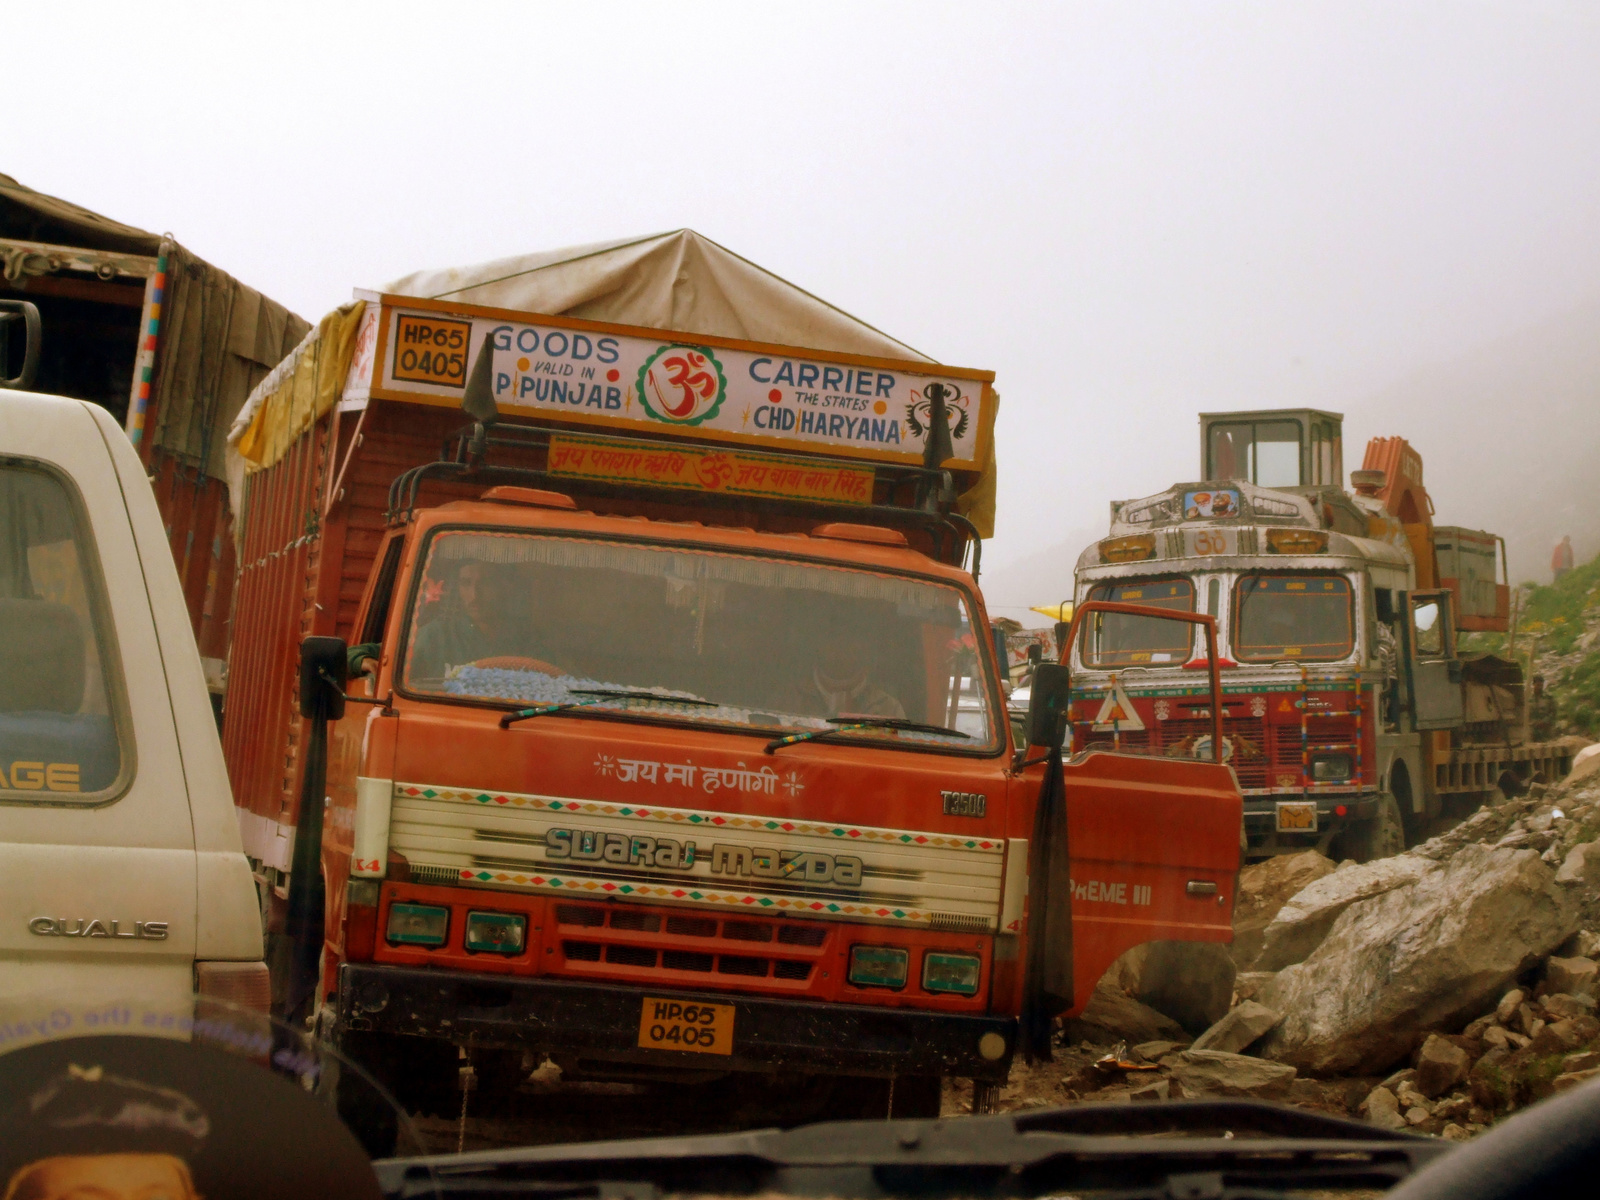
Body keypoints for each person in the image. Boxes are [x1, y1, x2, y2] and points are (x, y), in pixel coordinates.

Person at [409, 559, 528, 680]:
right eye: (465, 583)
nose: (475, 595)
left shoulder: (525, 638)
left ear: (502, 588)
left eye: (486, 583)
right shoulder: (432, 637)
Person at [783, 623, 905, 720]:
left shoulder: (888, 708)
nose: (840, 646)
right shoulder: (787, 700)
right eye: (832, 637)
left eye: (850, 639)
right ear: (818, 646)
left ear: (864, 648)